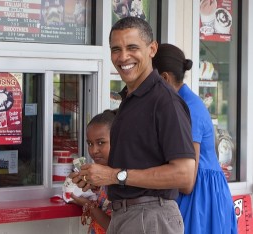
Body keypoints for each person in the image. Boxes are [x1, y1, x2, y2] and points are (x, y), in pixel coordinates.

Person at [71, 17, 196, 234]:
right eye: (116, 49)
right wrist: (97, 177)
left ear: (152, 49)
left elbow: (184, 175)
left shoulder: (165, 101)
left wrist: (113, 176)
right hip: (127, 216)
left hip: (150, 218)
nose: (123, 57)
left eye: (132, 47)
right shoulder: (132, 99)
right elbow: (135, 165)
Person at [152, 43, 238, 234]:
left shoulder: (187, 108)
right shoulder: (181, 103)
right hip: (203, 192)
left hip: (200, 196)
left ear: (164, 78)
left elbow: (187, 181)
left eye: (151, 81)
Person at [71, 109, 116, 234]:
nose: (94, 150)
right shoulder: (100, 176)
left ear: (117, 140)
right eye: (90, 143)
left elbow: (115, 228)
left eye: (101, 142)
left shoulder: (121, 177)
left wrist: (89, 205)